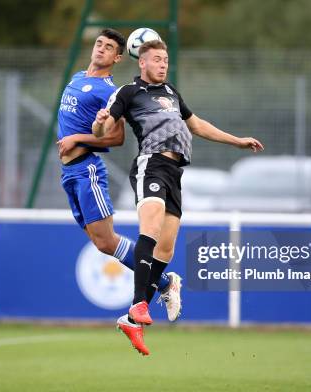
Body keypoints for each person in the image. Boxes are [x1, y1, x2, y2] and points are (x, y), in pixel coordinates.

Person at [93, 39, 264, 355]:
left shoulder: (171, 93)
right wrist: (101, 122)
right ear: (141, 62)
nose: (163, 64)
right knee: (152, 227)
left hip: (175, 173)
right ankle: (138, 305)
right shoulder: (129, 93)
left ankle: (154, 296)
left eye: (166, 60)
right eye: (157, 59)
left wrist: (236, 141)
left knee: (167, 246)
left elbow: (196, 124)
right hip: (151, 164)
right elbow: (102, 130)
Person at [56, 29, 182, 349]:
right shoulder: (76, 76)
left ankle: (164, 282)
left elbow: (116, 138)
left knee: (108, 239)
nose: (100, 49)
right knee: (102, 244)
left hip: (87, 171)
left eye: (109, 47)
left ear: (117, 58)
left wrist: (77, 139)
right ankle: (165, 281)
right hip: (68, 172)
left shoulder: (108, 90)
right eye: (99, 43)